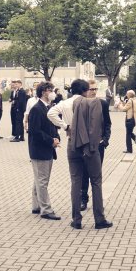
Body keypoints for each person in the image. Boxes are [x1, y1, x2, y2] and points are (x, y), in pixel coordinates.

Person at [68, 92, 113, 230]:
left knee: (75, 182)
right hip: (90, 148)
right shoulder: (96, 104)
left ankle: (76, 220)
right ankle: (99, 219)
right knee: (96, 182)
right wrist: (94, 146)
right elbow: (95, 128)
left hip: (73, 145)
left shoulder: (72, 103)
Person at [28, 81, 61, 220]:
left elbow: (53, 126)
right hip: (39, 149)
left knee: (39, 179)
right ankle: (46, 210)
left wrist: (57, 137)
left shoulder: (49, 107)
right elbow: (35, 131)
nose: (53, 93)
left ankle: (36, 206)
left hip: (47, 148)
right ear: (43, 92)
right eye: (50, 90)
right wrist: (51, 140)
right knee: (42, 181)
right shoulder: (37, 109)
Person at [80, 79, 112, 211]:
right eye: (91, 89)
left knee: (96, 174)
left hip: (98, 145)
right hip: (83, 144)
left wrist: (105, 140)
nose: (93, 92)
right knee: (83, 173)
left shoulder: (102, 104)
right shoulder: (80, 103)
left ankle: (97, 202)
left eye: (95, 89)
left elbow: (108, 123)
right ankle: (83, 199)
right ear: (85, 90)